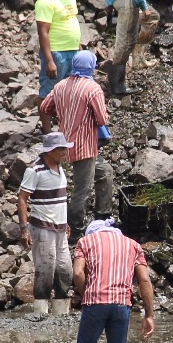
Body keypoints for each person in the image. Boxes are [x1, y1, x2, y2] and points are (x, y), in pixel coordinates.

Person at [72, 219, 156, 343]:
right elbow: (144, 279)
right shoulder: (133, 245)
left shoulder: (85, 242)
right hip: (121, 305)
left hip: (94, 303)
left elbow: (78, 273)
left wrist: (87, 293)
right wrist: (149, 315)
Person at [40, 51, 115, 240]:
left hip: (65, 144)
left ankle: (102, 215)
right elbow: (101, 118)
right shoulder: (93, 89)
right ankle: (76, 229)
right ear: (90, 66)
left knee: (105, 172)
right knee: (83, 189)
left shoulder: (61, 85)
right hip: (85, 147)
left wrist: (62, 115)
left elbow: (44, 107)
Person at [17, 132, 75, 316]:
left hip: (60, 229)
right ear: (50, 151)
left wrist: (66, 223)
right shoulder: (34, 170)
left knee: (65, 270)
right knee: (45, 271)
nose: (65, 152)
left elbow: (62, 198)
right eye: (61, 149)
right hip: (42, 229)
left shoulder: (60, 168)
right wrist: (24, 228)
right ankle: (40, 313)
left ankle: (61, 314)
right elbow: (22, 199)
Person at [34, 0, 82, 99]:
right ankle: (46, 122)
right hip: (57, 53)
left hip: (72, 51)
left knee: (68, 92)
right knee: (48, 92)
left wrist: (78, 46)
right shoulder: (46, 0)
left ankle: (64, 120)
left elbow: (71, 20)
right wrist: (49, 61)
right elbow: (42, 32)